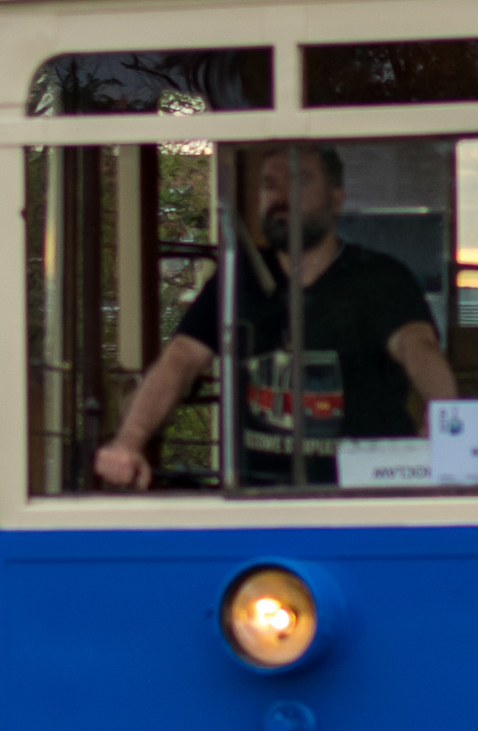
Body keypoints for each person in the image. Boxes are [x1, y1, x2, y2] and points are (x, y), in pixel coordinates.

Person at [93, 144, 455, 490]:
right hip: (258, 500)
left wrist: (445, 416)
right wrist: (129, 441)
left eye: (299, 180)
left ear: (336, 197)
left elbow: (416, 345)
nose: (281, 196)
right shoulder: (239, 277)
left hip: (359, 500)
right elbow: (181, 359)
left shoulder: (380, 278)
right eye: (269, 184)